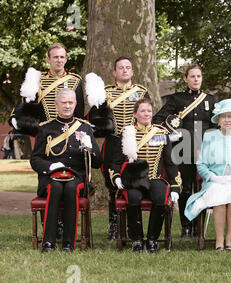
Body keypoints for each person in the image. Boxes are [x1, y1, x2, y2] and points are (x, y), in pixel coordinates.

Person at [86, 56, 150, 240]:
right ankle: (114, 226)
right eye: (120, 68)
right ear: (114, 72)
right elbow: (93, 117)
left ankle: (132, 227)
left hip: (136, 142)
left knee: (134, 182)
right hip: (114, 142)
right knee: (112, 184)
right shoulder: (104, 92)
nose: (124, 70)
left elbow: (148, 114)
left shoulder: (141, 91)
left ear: (132, 71)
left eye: (128, 67)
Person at [30, 88, 101, 252]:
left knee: (70, 187)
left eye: (71, 102)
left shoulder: (84, 128)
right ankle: (49, 241)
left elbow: (97, 162)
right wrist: (50, 167)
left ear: (76, 104)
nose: (67, 106)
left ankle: (69, 243)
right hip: (52, 177)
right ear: (56, 104)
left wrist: (91, 150)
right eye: (64, 103)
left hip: (76, 177)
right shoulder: (45, 128)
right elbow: (35, 160)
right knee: (55, 187)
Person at [183, 99, 231, 250]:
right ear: (218, 119)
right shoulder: (209, 137)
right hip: (214, 181)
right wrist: (212, 177)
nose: (226, 120)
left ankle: (229, 239)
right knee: (219, 196)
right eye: (223, 116)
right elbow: (201, 163)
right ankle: (219, 240)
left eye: (230, 116)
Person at [110, 98, 181, 253]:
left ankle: (152, 239)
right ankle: (136, 239)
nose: (146, 114)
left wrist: (175, 187)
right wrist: (116, 177)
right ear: (135, 114)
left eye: (149, 110)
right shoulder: (127, 133)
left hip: (154, 178)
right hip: (134, 180)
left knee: (160, 198)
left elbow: (170, 163)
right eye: (142, 111)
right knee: (133, 198)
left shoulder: (162, 133)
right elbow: (115, 161)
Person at [153, 64, 216, 238]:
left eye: (199, 76)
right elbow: (158, 119)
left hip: (205, 151)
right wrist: (172, 131)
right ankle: (186, 226)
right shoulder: (176, 99)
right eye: (192, 76)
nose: (196, 79)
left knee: (203, 189)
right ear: (186, 79)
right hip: (183, 149)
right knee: (185, 188)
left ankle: (199, 225)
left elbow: (215, 125)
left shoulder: (210, 100)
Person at [10, 43, 84, 136]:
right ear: (48, 59)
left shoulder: (75, 81)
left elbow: (79, 111)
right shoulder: (36, 80)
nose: (59, 60)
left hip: (68, 133)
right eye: (55, 57)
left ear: (66, 59)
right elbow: (26, 108)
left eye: (62, 57)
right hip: (43, 133)